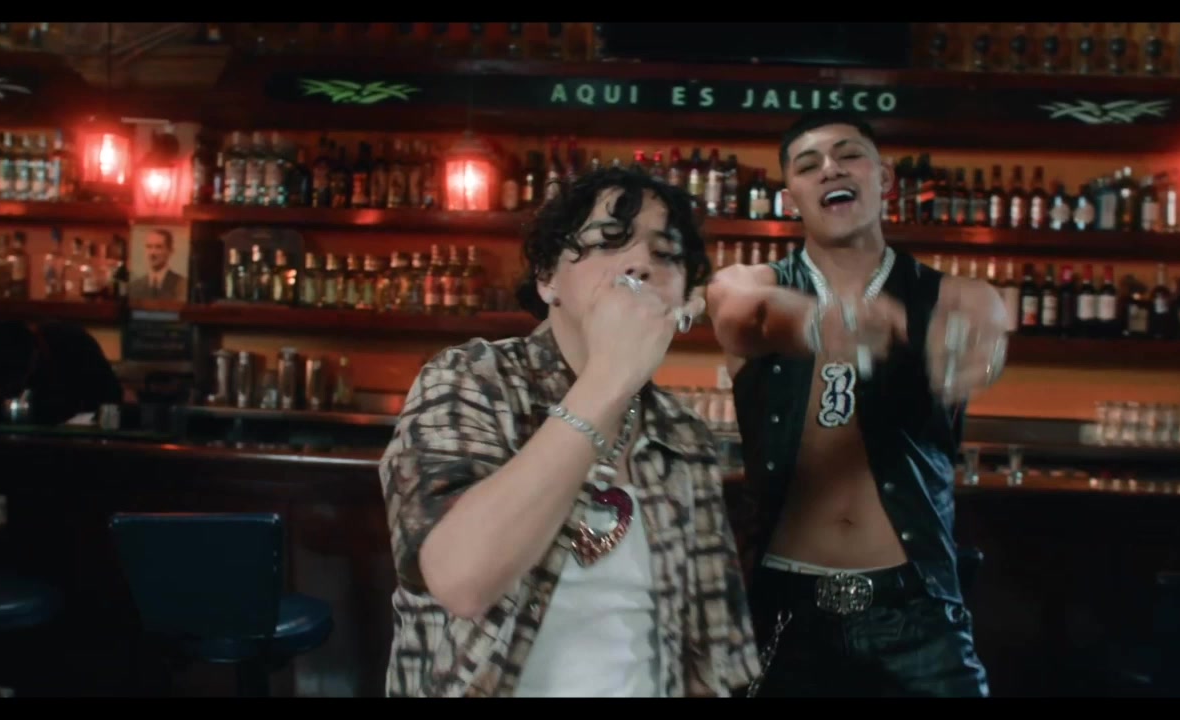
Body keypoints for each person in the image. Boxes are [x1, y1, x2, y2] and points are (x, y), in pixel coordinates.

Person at [378, 166, 761, 697]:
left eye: (666, 253)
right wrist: (608, 377)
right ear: (547, 277)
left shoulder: (682, 432)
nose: (640, 264)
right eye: (609, 241)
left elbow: (713, 649)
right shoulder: (471, 379)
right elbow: (461, 581)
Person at [705, 110, 1008, 698]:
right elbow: (745, 315)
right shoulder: (746, 283)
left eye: (849, 155)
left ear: (884, 179)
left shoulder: (955, 296)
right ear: (790, 198)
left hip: (915, 610)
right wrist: (819, 323)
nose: (830, 170)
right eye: (808, 166)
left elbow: (982, 329)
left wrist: (972, 348)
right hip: (785, 611)